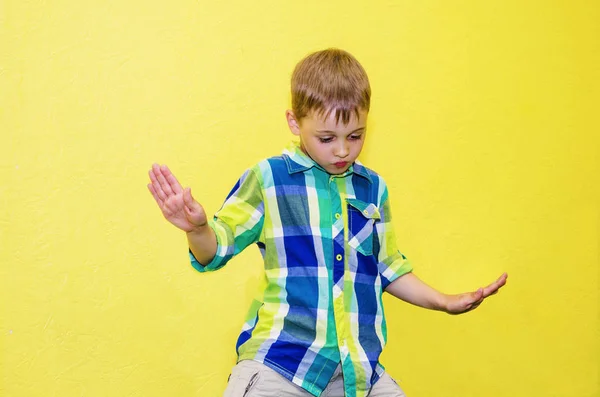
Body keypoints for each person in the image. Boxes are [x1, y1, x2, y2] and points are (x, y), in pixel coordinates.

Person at [147, 48, 507, 397]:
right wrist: (197, 229)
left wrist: (444, 301)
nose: (342, 151)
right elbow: (216, 248)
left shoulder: (372, 188)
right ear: (294, 121)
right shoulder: (271, 178)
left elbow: (388, 268)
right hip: (281, 363)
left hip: (355, 372)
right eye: (326, 138)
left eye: (355, 136)